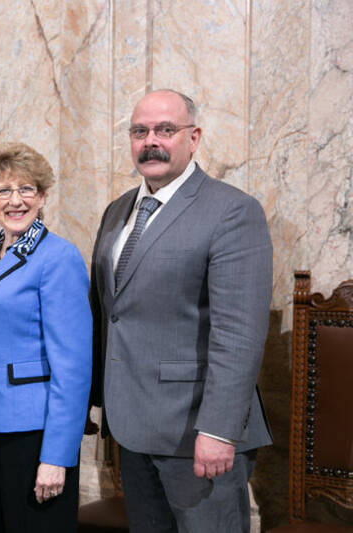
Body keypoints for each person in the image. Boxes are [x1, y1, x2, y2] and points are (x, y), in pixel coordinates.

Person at [88, 90, 273, 532]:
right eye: (140, 131)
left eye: (165, 130)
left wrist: (219, 430)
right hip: (132, 430)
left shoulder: (231, 211)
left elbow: (240, 334)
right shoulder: (117, 212)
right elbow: (109, 315)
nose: (151, 141)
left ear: (194, 137)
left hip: (198, 435)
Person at [0, 142, 92, 532]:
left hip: (35, 435)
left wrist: (57, 455)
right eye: (2, 191)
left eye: (26, 189)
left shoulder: (59, 258)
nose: (16, 201)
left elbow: (73, 367)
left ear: (42, 196)